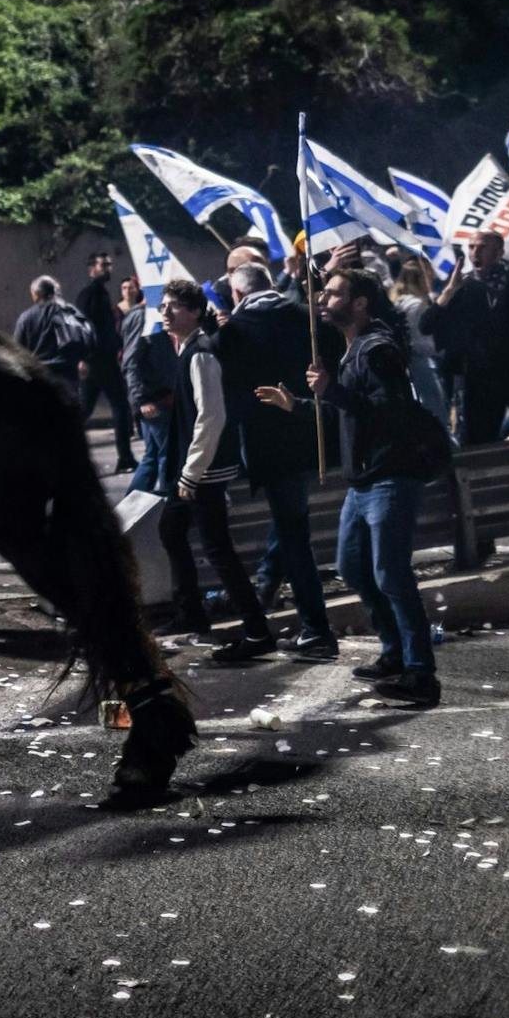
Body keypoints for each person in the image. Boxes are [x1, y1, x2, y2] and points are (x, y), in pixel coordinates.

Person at [258, 269, 440, 706]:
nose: (323, 298)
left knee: (390, 574)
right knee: (353, 566)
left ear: (360, 303)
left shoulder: (377, 350)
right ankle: (394, 654)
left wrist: (332, 390)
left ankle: (421, 674)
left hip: (390, 477)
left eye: (335, 293)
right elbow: (348, 414)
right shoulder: (353, 349)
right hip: (363, 481)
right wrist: (300, 404)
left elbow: (389, 412)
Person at [215, 261, 337, 658]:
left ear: (237, 294)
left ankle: (317, 629)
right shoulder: (305, 317)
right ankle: (276, 592)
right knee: (290, 528)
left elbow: (229, 396)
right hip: (309, 434)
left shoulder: (233, 331)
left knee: (294, 536)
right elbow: (334, 352)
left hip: (270, 448)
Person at [151, 278, 273, 659]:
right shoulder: (189, 349)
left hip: (202, 471)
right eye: (163, 306)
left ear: (194, 312)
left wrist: (191, 472)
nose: (165, 312)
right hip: (194, 468)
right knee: (172, 531)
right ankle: (191, 613)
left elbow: (211, 416)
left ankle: (256, 631)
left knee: (218, 548)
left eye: (173, 306)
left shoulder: (201, 354)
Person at [421, 230, 509, 444]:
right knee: (478, 443)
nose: (475, 252)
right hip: (480, 377)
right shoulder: (462, 286)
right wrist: (449, 291)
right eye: (472, 247)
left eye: (482, 247)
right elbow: (426, 325)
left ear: (499, 252)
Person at [75, 250, 136, 474]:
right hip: (99, 360)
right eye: (103, 265)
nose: (108, 269)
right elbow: (84, 326)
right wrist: (84, 357)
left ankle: (61, 445)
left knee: (85, 409)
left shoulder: (99, 293)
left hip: (100, 360)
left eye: (109, 265)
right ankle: (126, 458)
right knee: (120, 406)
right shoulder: (90, 294)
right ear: (92, 268)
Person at [121, 292, 180, 495]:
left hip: (158, 396)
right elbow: (131, 362)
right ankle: (169, 504)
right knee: (167, 454)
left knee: (154, 455)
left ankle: (133, 506)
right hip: (154, 398)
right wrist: (142, 400)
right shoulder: (143, 316)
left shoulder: (153, 314)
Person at [389, 256, 448, 427]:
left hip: (410, 361)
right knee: (436, 408)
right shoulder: (416, 305)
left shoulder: (398, 302)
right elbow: (421, 338)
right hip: (422, 362)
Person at [13, 275, 92, 394]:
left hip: (38, 376)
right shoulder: (70, 312)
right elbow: (87, 336)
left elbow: (17, 349)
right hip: (67, 375)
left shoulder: (26, 318)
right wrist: (83, 360)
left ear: (36, 294)